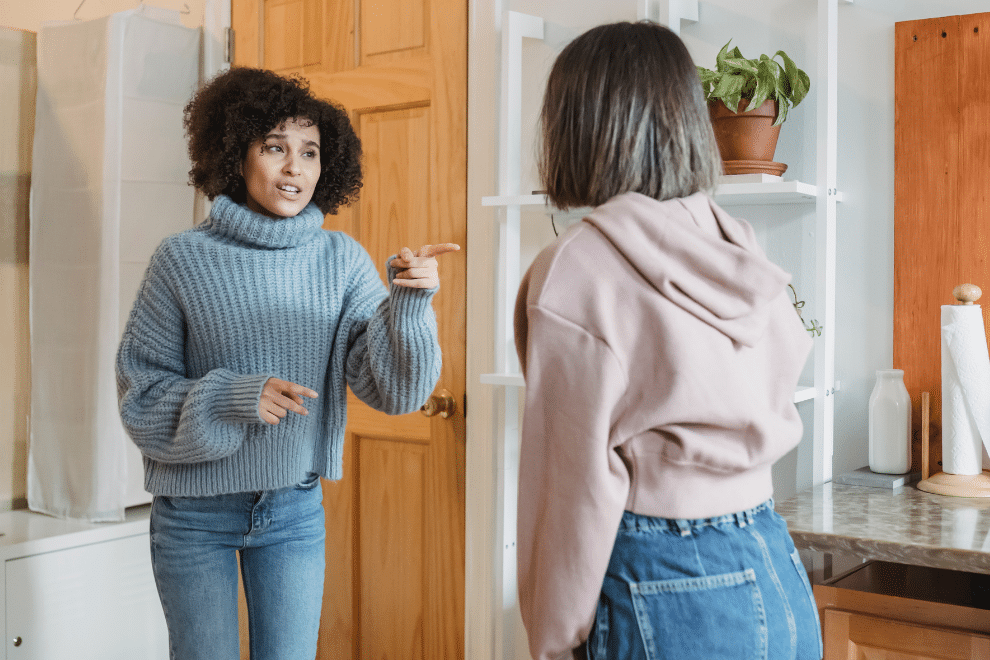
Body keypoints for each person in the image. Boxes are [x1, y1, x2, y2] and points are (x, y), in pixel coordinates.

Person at [115, 66, 458, 660]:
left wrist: (409, 302)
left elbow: (395, 392)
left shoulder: (343, 260)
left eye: (310, 152)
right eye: (275, 147)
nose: (295, 167)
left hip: (294, 511)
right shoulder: (181, 260)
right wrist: (230, 397)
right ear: (235, 152)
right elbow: (140, 399)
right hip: (194, 518)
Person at [513, 21, 822, 660]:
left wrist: (553, 638)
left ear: (577, 125)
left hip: (664, 578)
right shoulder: (735, 242)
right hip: (775, 567)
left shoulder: (578, 266)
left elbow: (570, 485)